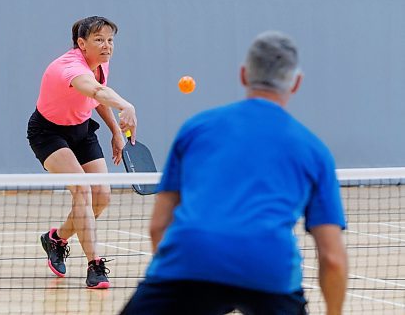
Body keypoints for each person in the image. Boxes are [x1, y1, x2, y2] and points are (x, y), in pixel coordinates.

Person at [120, 31, 348, 314]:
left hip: (190, 262)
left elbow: (158, 226)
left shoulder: (196, 129)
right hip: (270, 270)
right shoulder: (314, 150)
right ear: (297, 83)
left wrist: (180, 281)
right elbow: (333, 258)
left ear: (243, 75)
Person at [27, 16, 137, 289]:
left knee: (102, 196)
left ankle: (57, 238)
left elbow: (97, 100)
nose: (107, 46)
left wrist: (114, 131)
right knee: (82, 190)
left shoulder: (100, 63)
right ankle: (95, 264)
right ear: (81, 43)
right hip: (48, 133)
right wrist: (126, 105)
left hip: (82, 130)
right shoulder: (69, 67)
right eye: (99, 40)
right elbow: (97, 90)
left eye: (110, 40)